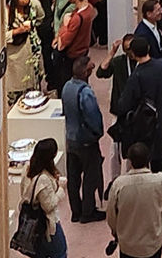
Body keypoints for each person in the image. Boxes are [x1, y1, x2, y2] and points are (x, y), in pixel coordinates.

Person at [114, 35, 162, 176]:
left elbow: (124, 104)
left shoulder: (137, 75)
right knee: (160, 157)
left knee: (145, 158)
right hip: (161, 118)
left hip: (144, 124)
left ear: (132, 54)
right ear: (148, 48)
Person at [105, 139, 162, 258]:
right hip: (153, 243)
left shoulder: (118, 184)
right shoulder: (160, 180)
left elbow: (111, 214)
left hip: (128, 245)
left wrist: (115, 231)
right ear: (148, 160)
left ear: (130, 162)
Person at [61, 55, 105, 225]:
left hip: (70, 139)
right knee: (90, 176)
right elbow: (93, 117)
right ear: (86, 72)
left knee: (74, 178)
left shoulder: (67, 87)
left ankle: (75, 211)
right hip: (86, 141)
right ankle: (88, 211)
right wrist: (97, 133)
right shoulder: (85, 92)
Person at [20, 138, 68, 258]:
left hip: (32, 221)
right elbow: (49, 205)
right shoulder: (43, 179)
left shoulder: (28, 169)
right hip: (47, 224)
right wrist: (61, 188)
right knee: (60, 252)